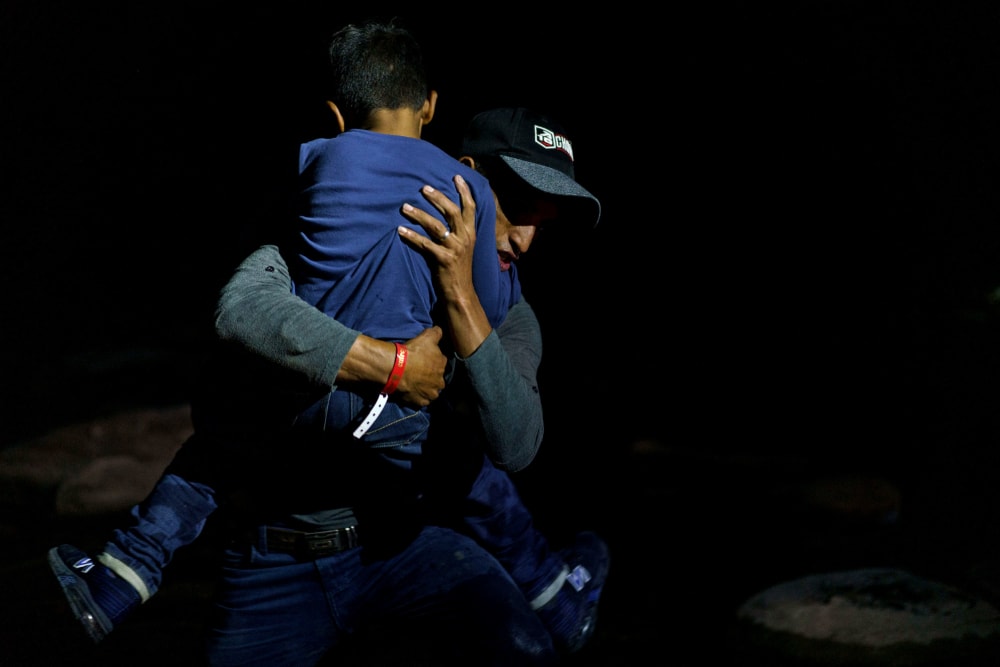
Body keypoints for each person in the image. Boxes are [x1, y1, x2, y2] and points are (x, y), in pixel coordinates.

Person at [47, 18, 606, 663]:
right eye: (517, 202)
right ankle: (131, 570)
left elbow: (517, 442)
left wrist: (461, 296)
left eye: (550, 219)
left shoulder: (509, 311)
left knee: (518, 640)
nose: (528, 236)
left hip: (402, 544)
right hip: (274, 554)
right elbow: (242, 309)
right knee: (252, 392)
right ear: (469, 177)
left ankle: (550, 591)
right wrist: (394, 367)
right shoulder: (316, 228)